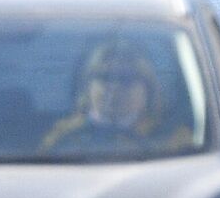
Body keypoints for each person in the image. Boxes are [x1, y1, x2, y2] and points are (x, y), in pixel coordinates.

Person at [41, 39, 185, 157]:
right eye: (104, 77)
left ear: (148, 89)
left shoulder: (174, 140)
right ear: (88, 87)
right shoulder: (62, 136)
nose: (114, 87)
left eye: (126, 79)